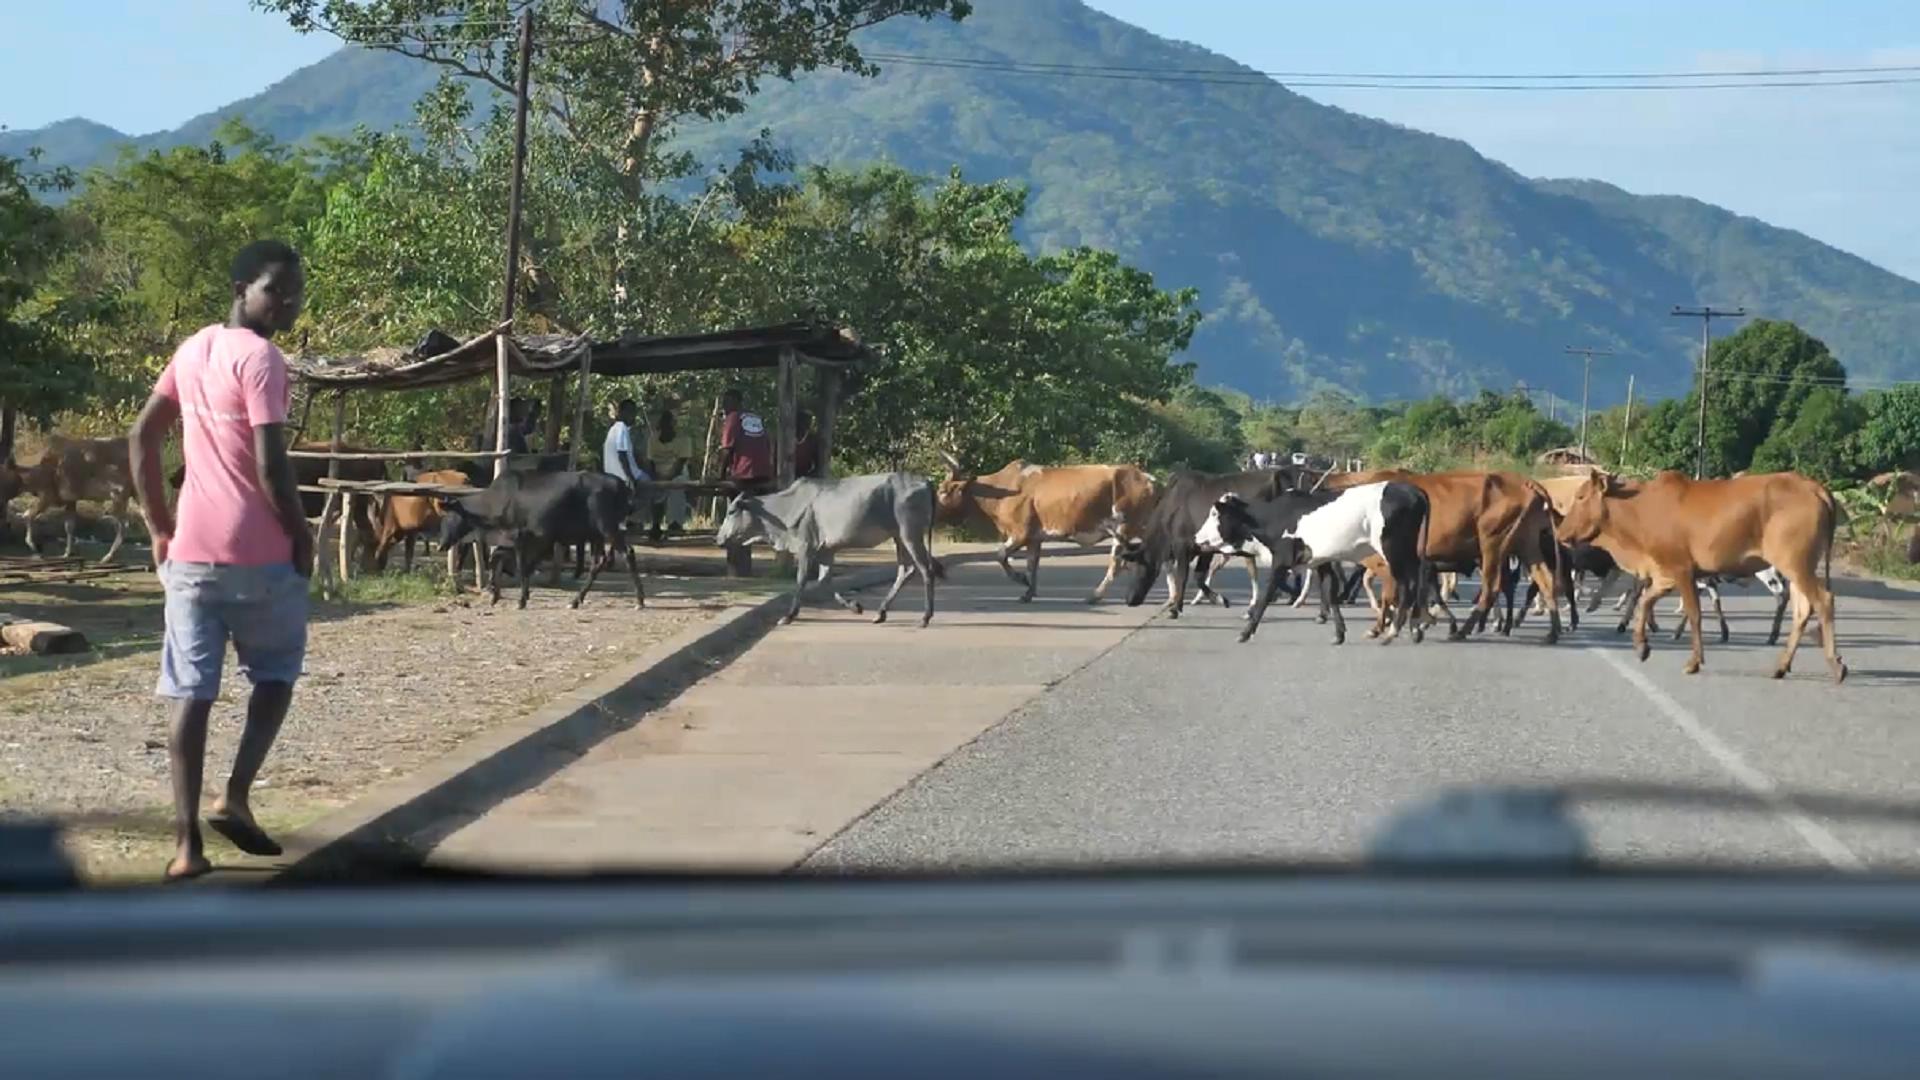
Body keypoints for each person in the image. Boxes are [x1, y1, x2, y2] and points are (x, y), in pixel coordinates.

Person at [127, 238, 313, 881]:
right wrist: (302, 531)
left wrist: (158, 526)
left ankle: (186, 849)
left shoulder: (193, 348)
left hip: (191, 558)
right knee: (276, 673)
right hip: (259, 557)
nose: (287, 302)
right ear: (242, 290)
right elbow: (270, 464)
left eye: (294, 292)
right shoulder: (263, 359)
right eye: (277, 290)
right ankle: (233, 794)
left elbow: (142, 434)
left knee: (190, 694)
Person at [646, 403, 695, 542]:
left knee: (677, 486)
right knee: (649, 487)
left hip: (677, 472)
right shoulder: (653, 439)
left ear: (674, 426)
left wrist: (667, 479)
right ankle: (652, 524)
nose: (667, 429)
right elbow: (650, 463)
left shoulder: (684, 439)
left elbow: (680, 465)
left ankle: (675, 522)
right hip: (658, 471)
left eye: (670, 425)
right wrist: (656, 478)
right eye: (664, 426)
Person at [715, 388, 773, 492]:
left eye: (726, 402)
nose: (724, 407)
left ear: (737, 402)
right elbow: (768, 445)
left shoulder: (733, 417)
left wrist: (720, 477)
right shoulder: (757, 418)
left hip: (744, 475)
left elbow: (727, 450)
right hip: (764, 474)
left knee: (737, 504)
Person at [603, 398, 648, 487]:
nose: (634, 416)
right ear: (622, 413)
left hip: (610, 476)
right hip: (624, 476)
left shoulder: (613, 429)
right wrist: (630, 477)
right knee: (651, 483)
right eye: (631, 412)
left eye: (634, 413)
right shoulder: (621, 428)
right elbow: (621, 454)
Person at [793, 410, 821, 480]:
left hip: (804, 478)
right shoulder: (787, 438)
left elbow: (817, 465)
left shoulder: (812, 440)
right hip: (786, 477)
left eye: (809, 421)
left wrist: (807, 477)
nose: (808, 424)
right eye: (804, 421)